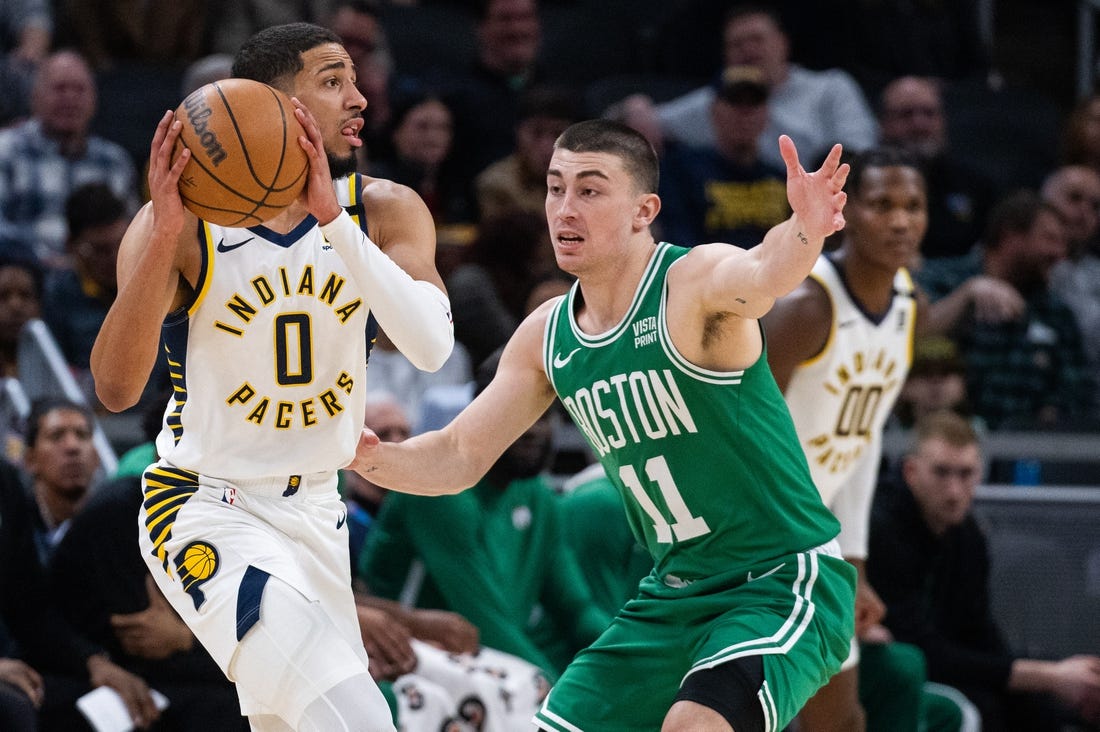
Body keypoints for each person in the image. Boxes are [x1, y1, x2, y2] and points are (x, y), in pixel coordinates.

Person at [350, 119, 857, 731]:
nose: (565, 208)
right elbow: (456, 454)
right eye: (555, 188)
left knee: (695, 727)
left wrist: (804, 229)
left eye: (590, 191)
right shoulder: (547, 333)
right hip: (672, 593)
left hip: (778, 577)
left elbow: (762, 274)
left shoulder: (689, 284)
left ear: (644, 210)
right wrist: (352, 452)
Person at [90, 21, 455, 731]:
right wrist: (164, 236)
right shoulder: (181, 227)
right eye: (332, 80)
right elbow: (114, 389)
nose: (359, 98)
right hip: (208, 507)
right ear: (269, 105)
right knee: (359, 721)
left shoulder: (381, 211)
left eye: (354, 78)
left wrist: (333, 224)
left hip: (320, 514)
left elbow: (432, 346)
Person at [763, 148, 968, 732]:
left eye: (914, 206)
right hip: (755, 531)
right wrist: (790, 549)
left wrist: (853, 566)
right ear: (847, 212)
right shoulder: (806, 307)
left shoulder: (910, 307)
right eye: (882, 205)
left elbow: (861, 447)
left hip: (814, 534)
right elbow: (738, 433)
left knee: (839, 719)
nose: (901, 221)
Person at [360, 348, 611, 680]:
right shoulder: (438, 489)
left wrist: (630, 662)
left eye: (546, 413)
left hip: (493, 663)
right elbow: (484, 624)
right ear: (482, 412)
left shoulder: (538, 496)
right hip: (407, 660)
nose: (536, 428)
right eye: (522, 413)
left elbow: (575, 609)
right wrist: (559, 700)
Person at [868, 409, 1100, 731]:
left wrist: (1049, 677)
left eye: (965, 474)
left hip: (940, 660)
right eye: (942, 473)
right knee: (980, 708)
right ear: (911, 471)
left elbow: (977, 630)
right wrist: (1047, 676)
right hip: (894, 667)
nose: (954, 491)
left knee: (1039, 708)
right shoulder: (881, 530)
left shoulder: (966, 534)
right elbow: (921, 647)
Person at [916, 189, 1094, 429]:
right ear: (1011, 236)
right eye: (1050, 239)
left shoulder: (1055, 313)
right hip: (941, 440)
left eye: (1063, 245)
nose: (1059, 254)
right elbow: (909, 338)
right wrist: (966, 295)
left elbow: (1078, 395)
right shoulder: (940, 279)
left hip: (1026, 450)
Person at [652, 3, 877, 171]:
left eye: (757, 40)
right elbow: (649, 120)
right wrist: (634, 108)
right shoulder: (716, 100)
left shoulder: (831, 87)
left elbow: (862, 158)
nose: (748, 50)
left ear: (783, 43)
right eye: (737, 44)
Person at [0, 50, 139, 267]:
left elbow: (133, 234)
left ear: (94, 100)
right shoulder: (6, 150)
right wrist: (41, 259)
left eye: (79, 90)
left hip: (98, 284)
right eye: (60, 88)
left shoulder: (115, 162)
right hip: (26, 278)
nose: (70, 98)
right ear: (35, 96)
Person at [657, 64, 788, 250]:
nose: (745, 113)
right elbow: (678, 243)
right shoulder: (680, 171)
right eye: (735, 101)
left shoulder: (782, 178)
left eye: (754, 102)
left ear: (766, 114)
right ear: (714, 110)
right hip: (705, 274)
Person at [876, 75, 998, 260]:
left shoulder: (976, 185)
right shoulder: (862, 183)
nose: (920, 125)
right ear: (883, 123)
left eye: (929, 113)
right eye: (906, 114)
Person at [42, 183, 127, 400]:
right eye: (99, 249)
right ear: (71, 245)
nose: (115, 256)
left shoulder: (155, 279)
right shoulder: (57, 295)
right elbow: (55, 375)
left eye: (122, 243)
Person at [1041, 164, 1100, 413]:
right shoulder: (1014, 260)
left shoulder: (1097, 273)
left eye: (1095, 206)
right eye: (1074, 198)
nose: (1084, 211)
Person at [474, 84, 581, 221]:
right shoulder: (496, 185)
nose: (547, 147)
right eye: (536, 133)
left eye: (557, 134)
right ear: (517, 134)